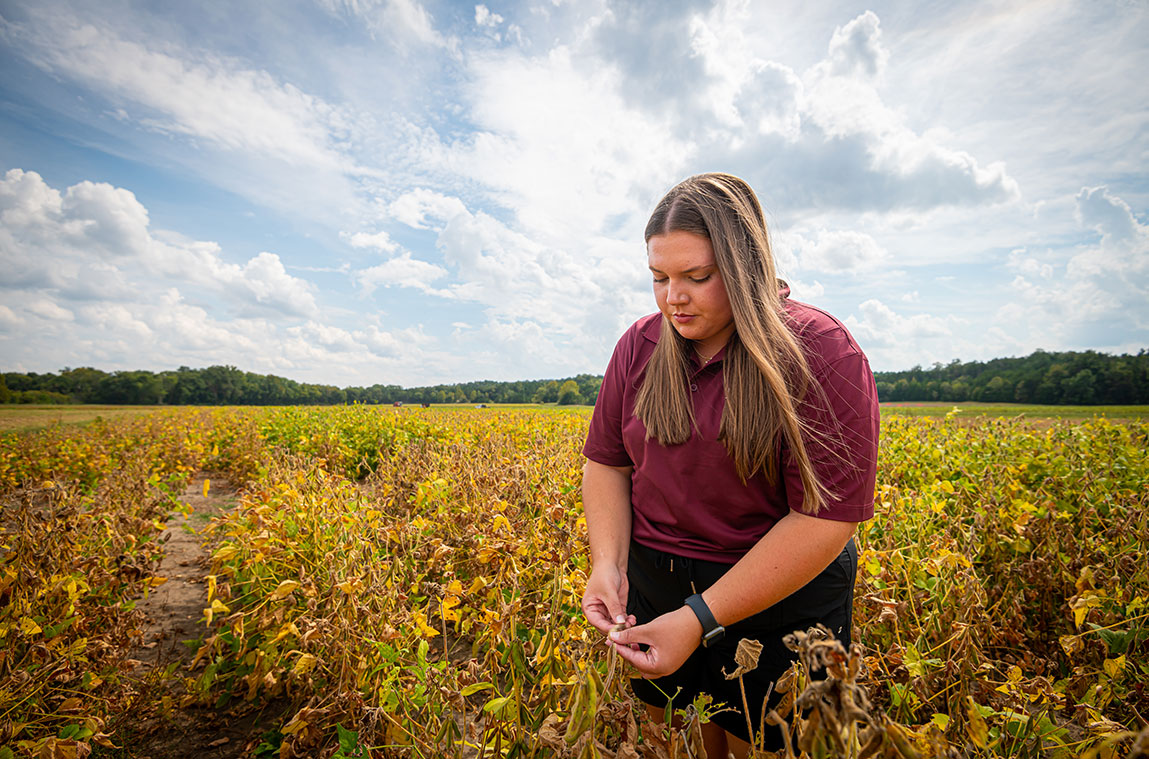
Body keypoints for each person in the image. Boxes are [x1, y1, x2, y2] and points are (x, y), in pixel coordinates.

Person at [580, 173, 879, 758]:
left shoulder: (820, 351)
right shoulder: (639, 346)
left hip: (782, 593)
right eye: (659, 278)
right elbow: (607, 464)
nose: (674, 298)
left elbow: (826, 519)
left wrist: (698, 619)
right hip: (661, 583)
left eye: (697, 277)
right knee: (696, 740)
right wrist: (607, 565)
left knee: (778, 745)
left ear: (746, 269)